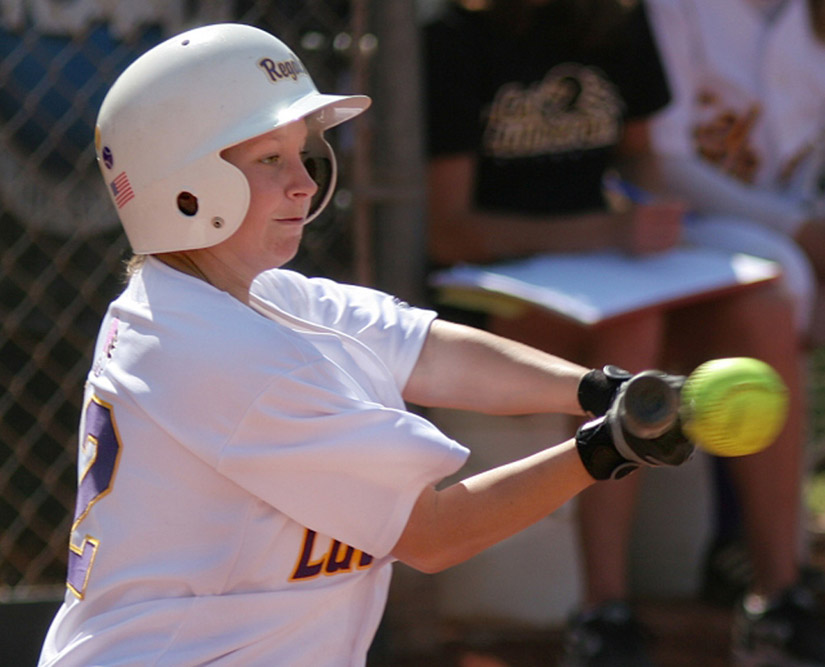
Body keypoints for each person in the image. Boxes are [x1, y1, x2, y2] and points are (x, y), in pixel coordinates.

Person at [37, 22, 695, 666]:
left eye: (303, 155)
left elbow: (426, 351)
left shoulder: (250, 300)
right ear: (182, 185)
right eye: (270, 158)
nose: (304, 182)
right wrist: (606, 448)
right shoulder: (220, 353)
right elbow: (432, 531)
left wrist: (597, 389)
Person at [422, 1, 823, 664]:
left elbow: (639, 162)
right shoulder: (452, 42)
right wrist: (602, 233)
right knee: (628, 326)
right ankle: (603, 612)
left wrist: (651, 215)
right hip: (495, 289)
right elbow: (450, 229)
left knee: (765, 311)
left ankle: (778, 599)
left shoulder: (612, 22)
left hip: (606, 271)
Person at [645, 0, 825, 347]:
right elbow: (660, 164)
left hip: (792, 207)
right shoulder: (674, 7)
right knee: (783, 275)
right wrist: (800, 230)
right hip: (685, 217)